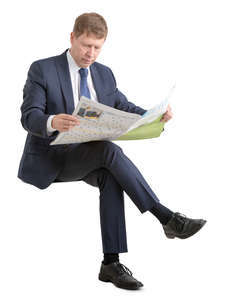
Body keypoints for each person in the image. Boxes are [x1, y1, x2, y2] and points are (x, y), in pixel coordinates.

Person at [18, 12, 207, 290]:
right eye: (85, 45)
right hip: (53, 156)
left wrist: (153, 116)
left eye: (97, 47)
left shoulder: (104, 75)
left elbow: (123, 106)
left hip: (89, 153)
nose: (90, 54)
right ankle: (166, 217)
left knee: (110, 172)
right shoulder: (43, 69)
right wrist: (52, 121)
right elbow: (28, 116)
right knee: (108, 153)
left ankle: (111, 263)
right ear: (72, 38)